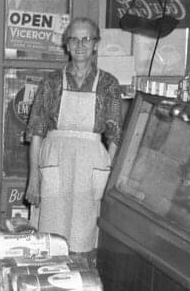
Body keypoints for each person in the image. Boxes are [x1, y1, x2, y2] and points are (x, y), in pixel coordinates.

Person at [24, 17, 123, 262]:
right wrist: (34, 181)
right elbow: (36, 133)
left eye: (86, 39)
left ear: (96, 44)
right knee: (49, 238)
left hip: (90, 167)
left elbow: (115, 137)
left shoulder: (109, 85)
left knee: (84, 238)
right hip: (54, 163)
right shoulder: (50, 83)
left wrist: (105, 174)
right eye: (74, 39)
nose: (80, 45)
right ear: (66, 45)